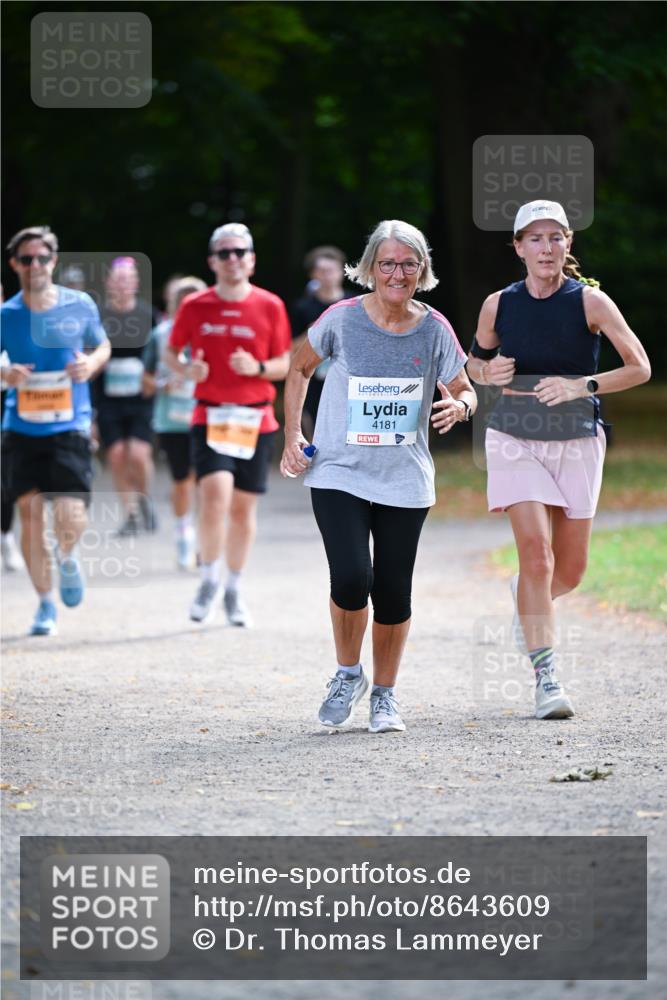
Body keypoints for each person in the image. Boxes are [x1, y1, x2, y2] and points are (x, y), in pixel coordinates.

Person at [281, 219, 475, 734]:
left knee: (393, 588)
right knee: (351, 576)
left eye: (408, 263)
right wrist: (292, 436)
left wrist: (460, 406)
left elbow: (465, 387)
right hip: (339, 470)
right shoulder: (340, 319)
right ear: (369, 268)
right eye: (387, 263)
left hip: (404, 477)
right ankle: (348, 673)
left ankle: (385, 695)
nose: (397, 273)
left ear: (422, 269)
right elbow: (299, 368)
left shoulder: (434, 327)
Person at [467, 200, 651, 720]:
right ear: (519, 246)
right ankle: (547, 677)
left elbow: (640, 367)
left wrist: (582, 384)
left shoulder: (590, 302)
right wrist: (488, 374)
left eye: (556, 238)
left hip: (576, 438)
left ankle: (527, 599)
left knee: (569, 571)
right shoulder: (497, 305)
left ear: (568, 244)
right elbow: (473, 364)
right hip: (514, 435)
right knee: (538, 557)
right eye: (535, 238)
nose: (546, 248)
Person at [164, 223, 291, 626]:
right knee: (214, 495)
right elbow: (171, 354)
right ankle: (207, 578)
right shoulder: (195, 305)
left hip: (255, 417)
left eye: (240, 252)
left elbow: (284, 364)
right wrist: (187, 368)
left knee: (241, 509)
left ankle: (233, 587)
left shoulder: (270, 305)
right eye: (224, 253)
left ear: (251, 260)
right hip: (211, 414)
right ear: (212, 262)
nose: (232, 259)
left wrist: (255, 366)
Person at [0, 225, 111, 634]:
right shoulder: (6, 315)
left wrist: (92, 364)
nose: (35, 265)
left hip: (70, 425)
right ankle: (44, 604)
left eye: (42, 258)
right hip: (21, 427)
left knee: (70, 514)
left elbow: (102, 345)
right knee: (30, 515)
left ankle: (67, 558)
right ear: (14, 264)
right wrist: (4, 373)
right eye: (26, 259)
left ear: (54, 261)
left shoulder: (79, 304)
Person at [142, 275, 206, 569]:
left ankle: (206, 541)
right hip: (173, 421)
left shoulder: (213, 332)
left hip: (208, 416)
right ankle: (184, 533)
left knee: (209, 483)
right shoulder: (161, 334)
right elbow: (145, 382)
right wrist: (163, 383)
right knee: (183, 482)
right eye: (184, 301)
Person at [95, 256, 158, 535]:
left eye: (128, 278)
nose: (122, 284)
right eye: (117, 278)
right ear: (109, 283)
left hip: (141, 397)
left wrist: (154, 378)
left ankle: (145, 500)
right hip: (108, 398)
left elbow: (161, 354)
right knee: (118, 455)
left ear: (136, 283)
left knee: (139, 454)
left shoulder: (148, 314)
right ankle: (130, 514)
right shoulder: (99, 315)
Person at [290, 246, 354, 438]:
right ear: (313, 275)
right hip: (314, 382)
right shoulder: (302, 308)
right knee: (318, 434)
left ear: (342, 271)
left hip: (349, 379)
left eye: (332, 270)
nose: (328, 276)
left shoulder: (356, 304)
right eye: (322, 271)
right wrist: (312, 332)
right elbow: (290, 347)